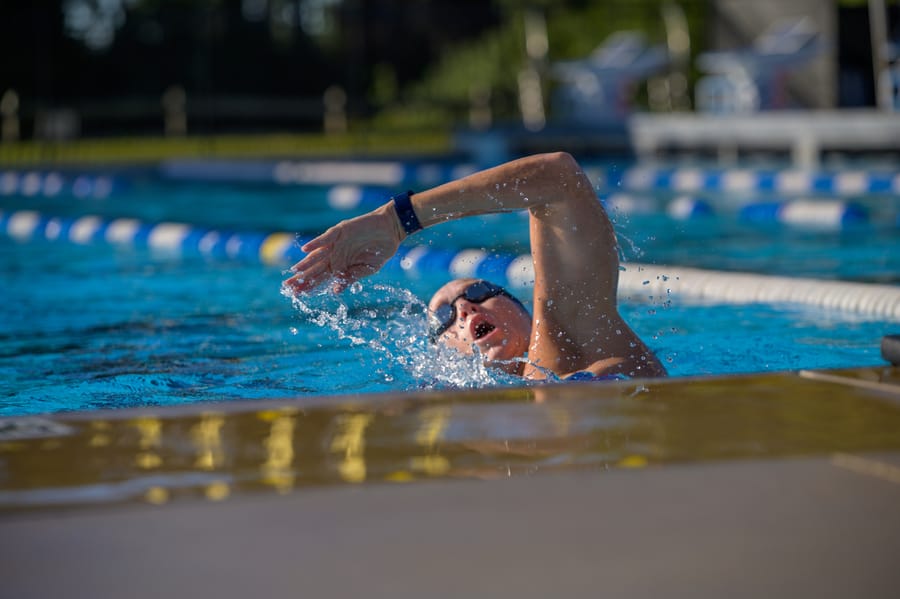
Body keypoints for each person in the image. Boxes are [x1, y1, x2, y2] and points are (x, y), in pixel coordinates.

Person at [284, 152, 666, 380]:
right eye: (445, 319)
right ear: (443, 356)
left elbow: (558, 178)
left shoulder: (569, 337)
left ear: (523, 311)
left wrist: (397, 220)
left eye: (479, 292)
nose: (465, 309)